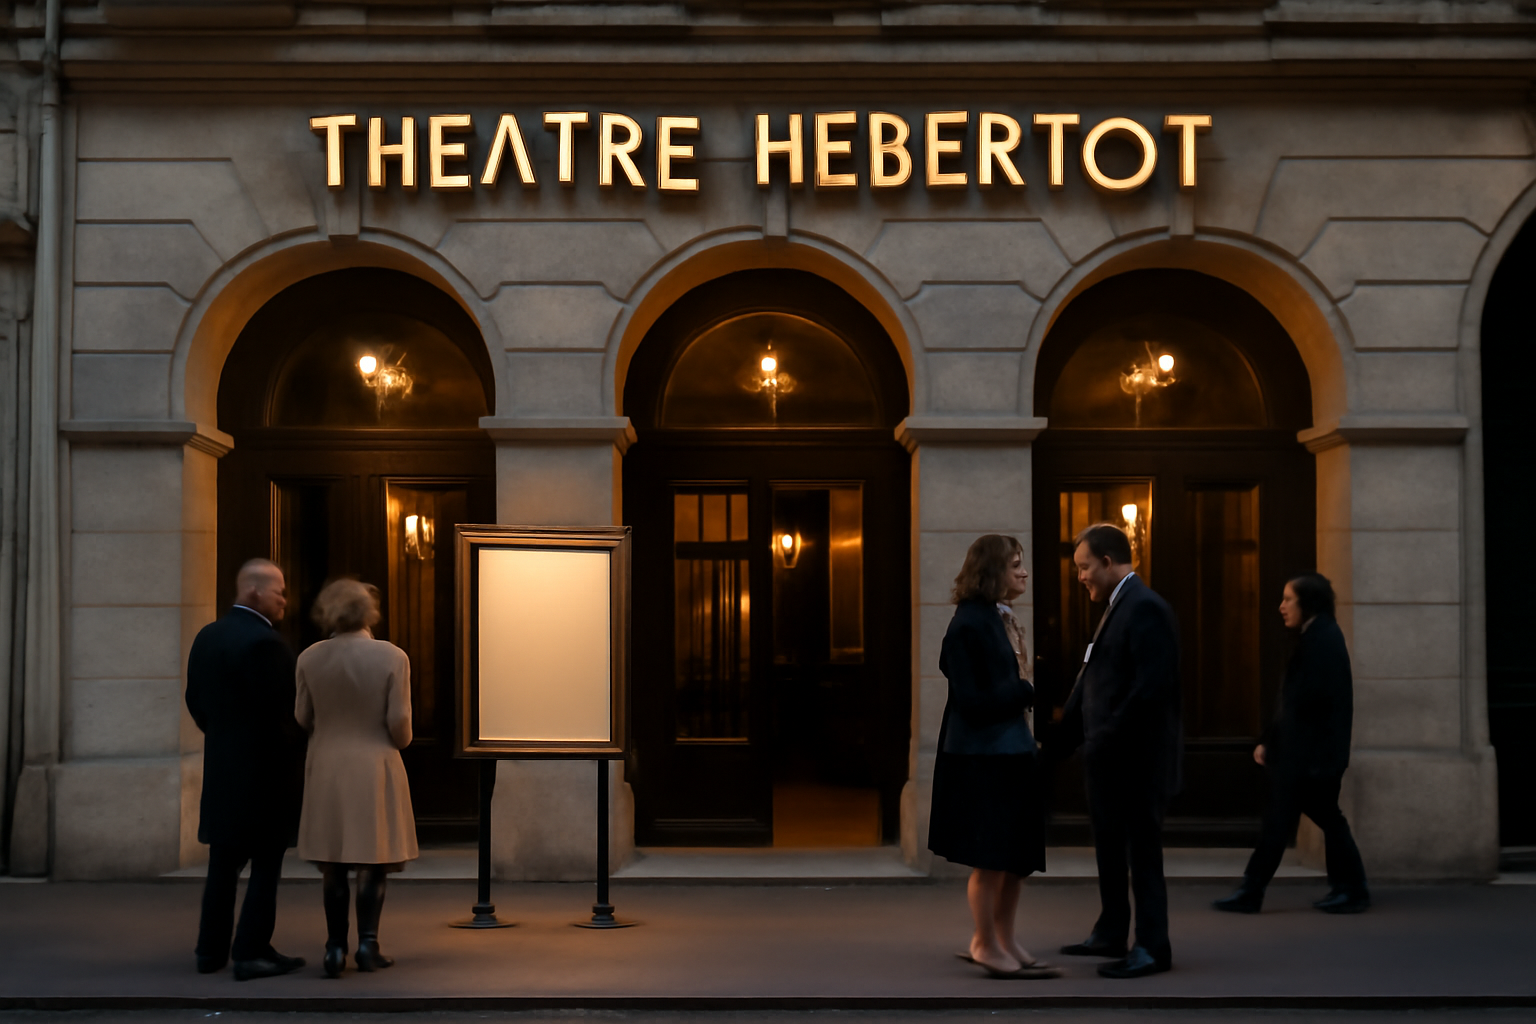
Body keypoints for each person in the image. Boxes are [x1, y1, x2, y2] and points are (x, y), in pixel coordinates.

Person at [1051, 523, 1182, 979]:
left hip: (1136, 760)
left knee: (1141, 851)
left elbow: (1150, 690)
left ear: (1108, 562)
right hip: (1108, 758)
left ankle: (1151, 945)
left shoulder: (1145, 608)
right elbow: (1090, 680)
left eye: (1084, 567)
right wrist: (1062, 742)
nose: (1081, 576)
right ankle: (1110, 930)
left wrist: (1102, 738)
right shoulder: (1117, 606)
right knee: (1109, 847)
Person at [928, 535, 1060, 980]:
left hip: (1010, 753)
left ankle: (1005, 939)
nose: (1023, 573)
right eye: (1015, 565)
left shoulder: (996, 618)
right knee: (992, 858)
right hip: (983, 758)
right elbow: (972, 699)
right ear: (991, 573)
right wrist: (1025, 691)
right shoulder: (969, 624)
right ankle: (985, 942)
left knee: (1015, 859)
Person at [1214, 573, 1370, 915]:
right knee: (1325, 819)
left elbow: (1302, 704)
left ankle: (1253, 892)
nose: (1282, 606)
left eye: (1289, 600)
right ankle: (1349, 888)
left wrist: (1272, 743)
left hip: (1306, 756)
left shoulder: (1320, 640)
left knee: (1284, 821)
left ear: (1308, 603)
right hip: (1310, 754)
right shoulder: (1318, 636)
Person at [185, 558, 308, 981]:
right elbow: (283, 718)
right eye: (280, 592)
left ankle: (209, 951)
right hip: (266, 779)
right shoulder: (267, 644)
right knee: (265, 867)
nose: (285, 601)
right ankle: (252, 950)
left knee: (222, 866)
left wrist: (222, 738)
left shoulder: (208, 636)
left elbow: (195, 702)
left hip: (222, 771)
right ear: (255, 591)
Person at [295, 578, 419, 978]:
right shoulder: (392, 656)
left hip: (327, 764)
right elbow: (399, 724)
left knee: (333, 863)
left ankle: (334, 948)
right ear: (370, 612)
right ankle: (368, 944)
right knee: (373, 859)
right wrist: (398, 739)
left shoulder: (309, 657)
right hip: (374, 762)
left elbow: (302, 716)